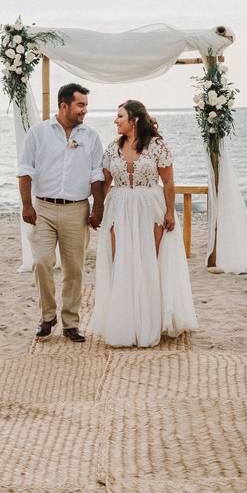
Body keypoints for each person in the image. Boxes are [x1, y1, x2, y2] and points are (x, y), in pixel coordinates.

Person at [89, 100, 198, 347]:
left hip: (151, 207)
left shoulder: (157, 146)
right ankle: (125, 323)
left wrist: (170, 212)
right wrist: (97, 211)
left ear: (134, 119)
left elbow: (169, 183)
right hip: (119, 208)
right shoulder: (111, 149)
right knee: (121, 264)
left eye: (120, 116)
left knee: (150, 262)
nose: (115, 121)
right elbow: (105, 183)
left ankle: (150, 323)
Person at [18, 83, 105, 343]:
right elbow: (25, 170)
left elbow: (97, 175)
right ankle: (47, 316)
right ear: (64, 105)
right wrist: (26, 205)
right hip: (42, 208)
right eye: (80, 105)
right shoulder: (38, 133)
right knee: (41, 262)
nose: (84, 111)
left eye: (86, 106)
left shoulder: (91, 136)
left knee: (74, 269)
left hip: (77, 209)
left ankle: (70, 323)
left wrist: (98, 208)